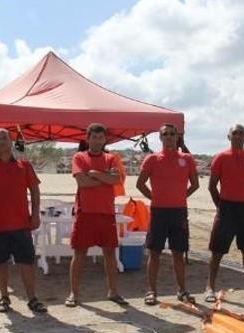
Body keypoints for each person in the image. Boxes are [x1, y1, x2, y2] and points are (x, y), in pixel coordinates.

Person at [0, 128, 46, 314]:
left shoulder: (24, 166)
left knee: (27, 262)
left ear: (11, 141)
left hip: (21, 224)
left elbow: (35, 191)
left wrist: (35, 214)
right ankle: (4, 297)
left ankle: (32, 298)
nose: (1, 141)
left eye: (4, 138)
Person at [136, 123, 199, 305]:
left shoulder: (186, 159)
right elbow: (140, 184)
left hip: (178, 212)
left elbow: (195, 184)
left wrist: (180, 196)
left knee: (178, 252)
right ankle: (151, 291)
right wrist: (154, 197)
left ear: (177, 137)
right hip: (158, 212)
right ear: (160, 137)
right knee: (154, 252)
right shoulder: (152, 159)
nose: (169, 137)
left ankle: (182, 290)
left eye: (172, 134)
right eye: (165, 134)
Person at [205, 124, 244, 303]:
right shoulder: (221, 157)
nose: (238, 136)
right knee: (217, 251)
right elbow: (211, 186)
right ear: (229, 136)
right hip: (226, 208)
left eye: (241, 133)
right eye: (235, 133)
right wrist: (221, 206)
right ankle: (209, 286)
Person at [66, 123, 126, 307]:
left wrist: (95, 174)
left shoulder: (111, 158)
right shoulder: (79, 157)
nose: (98, 141)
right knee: (79, 253)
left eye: (101, 137)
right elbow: (82, 183)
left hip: (106, 213)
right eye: (94, 137)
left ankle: (113, 292)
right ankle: (73, 294)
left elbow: (116, 180)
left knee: (109, 254)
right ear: (88, 138)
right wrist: (104, 177)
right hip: (86, 213)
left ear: (105, 139)